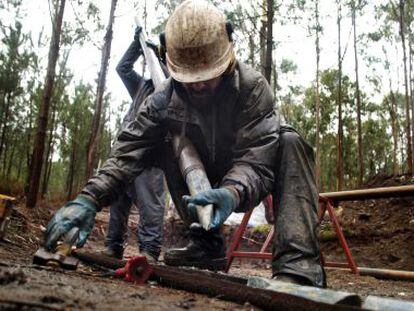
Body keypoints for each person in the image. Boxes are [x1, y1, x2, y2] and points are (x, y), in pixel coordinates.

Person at [44, 0, 325, 287]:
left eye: (206, 76)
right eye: (190, 78)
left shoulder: (252, 88)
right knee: (166, 142)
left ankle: (298, 266)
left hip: (247, 177)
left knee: (290, 140)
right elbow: (128, 151)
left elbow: (257, 159)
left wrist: (231, 191)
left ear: (226, 57)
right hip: (198, 180)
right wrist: (89, 198)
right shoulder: (163, 100)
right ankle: (206, 244)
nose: (199, 85)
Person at [101, 27, 166, 261]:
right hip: (126, 150)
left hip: (151, 153)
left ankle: (149, 251)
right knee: (118, 198)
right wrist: (136, 45)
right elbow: (123, 68)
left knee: (150, 203)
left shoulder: (172, 85)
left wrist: (159, 55)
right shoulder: (142, 86)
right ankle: (113, 245)